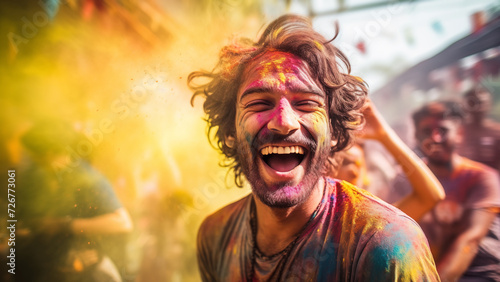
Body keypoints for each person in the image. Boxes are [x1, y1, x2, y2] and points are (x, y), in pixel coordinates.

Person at [189, 14, 439, 281]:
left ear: (333, 132)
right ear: (230, 131)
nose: (284, 123)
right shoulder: (215, 236)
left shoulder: (385, 245)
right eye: (259, 103)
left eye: (306, 104)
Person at [16, 120, 133, 282]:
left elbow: (122, 222)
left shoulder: (87, 178)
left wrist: (64, 225)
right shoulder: (39, 177)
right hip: (51, 270)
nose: (31, 159)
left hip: (88, 271)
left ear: (48, 152)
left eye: (34, 154)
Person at [412, 100, 500, 281]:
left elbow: (470, 240)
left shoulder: (481, 177)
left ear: (459, 133)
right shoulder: (405, 179)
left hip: (478, 273)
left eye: (443, 131)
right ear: (416, 136)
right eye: (427, 131)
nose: (435, 138)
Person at [329, 101, 445, 222]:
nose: (355, 172)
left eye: (360, 165)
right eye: (347, 162)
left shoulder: (373, 224)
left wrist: (384, 135)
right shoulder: (326, 230)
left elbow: (431, 196)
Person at [458, 84, 500, 171]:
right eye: (473, 102)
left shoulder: (497, 132)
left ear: (489, 104)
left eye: (481, 102)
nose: (479, 107)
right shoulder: (457, 131)